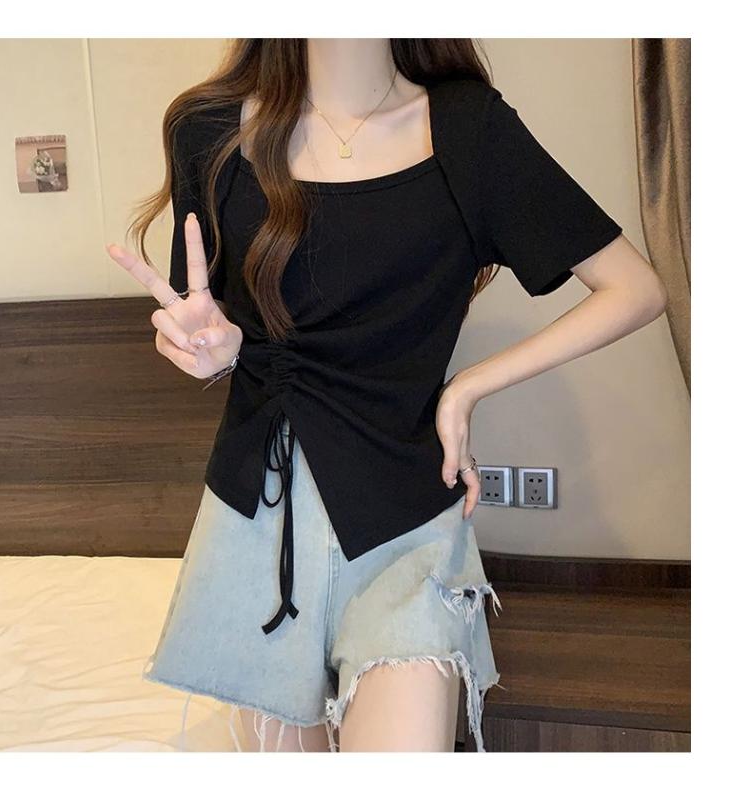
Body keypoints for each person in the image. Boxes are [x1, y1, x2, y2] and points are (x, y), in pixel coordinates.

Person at [105, 38, 667, 752]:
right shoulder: (207, 131)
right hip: (256, 526)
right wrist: (214, 350)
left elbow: (635, 289)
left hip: (405, 522)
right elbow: (208, 320)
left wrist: (468, 387)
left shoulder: (468, 129)